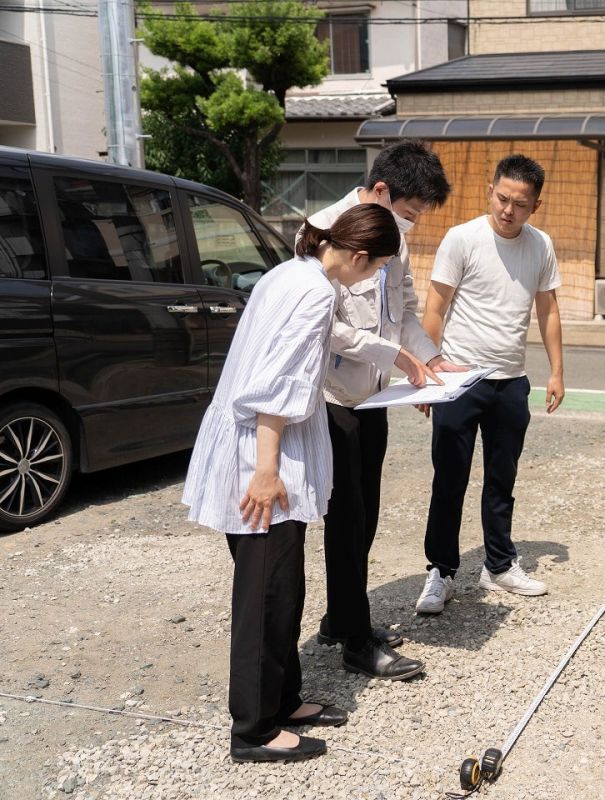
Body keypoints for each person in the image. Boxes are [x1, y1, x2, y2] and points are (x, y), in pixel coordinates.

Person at [182, 204, 401, 763]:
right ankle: (253, 729)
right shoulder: (315, 291)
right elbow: (275, 386)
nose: (372, 278)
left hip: (254, 446)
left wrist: (397, 354)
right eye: (375, 268)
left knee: (285, 584)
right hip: (261, 456)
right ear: (357, 256)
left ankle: (283, 698)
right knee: (267, 594)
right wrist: (265, 471)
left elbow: (336, 342)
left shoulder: (292, 271)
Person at [303, 140, 465, 680]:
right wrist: (392, 354)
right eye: (410, 212)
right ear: (380, 192)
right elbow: (323, 325)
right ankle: (355, 640)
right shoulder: (321, 231)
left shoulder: (394, 238)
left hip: (375, 398)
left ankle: (339, 618)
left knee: (364, 516)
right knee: (346, 521)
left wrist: (432, 358)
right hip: (332, 401)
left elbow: (406, 312)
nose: (411, 226)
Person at [414, 154, 565, 614]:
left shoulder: (541, 246)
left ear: (534, 206)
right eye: (502, 198)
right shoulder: (461, 239)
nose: (508, 210)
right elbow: (435, 308)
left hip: (511, 381)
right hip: (459, 380)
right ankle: (440, 571)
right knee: (449, 480)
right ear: (490, 190)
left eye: (520, 204)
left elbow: (549, 309)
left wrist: (557, 370)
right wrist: (427, 372)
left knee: (502, 480)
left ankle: (499, 564)